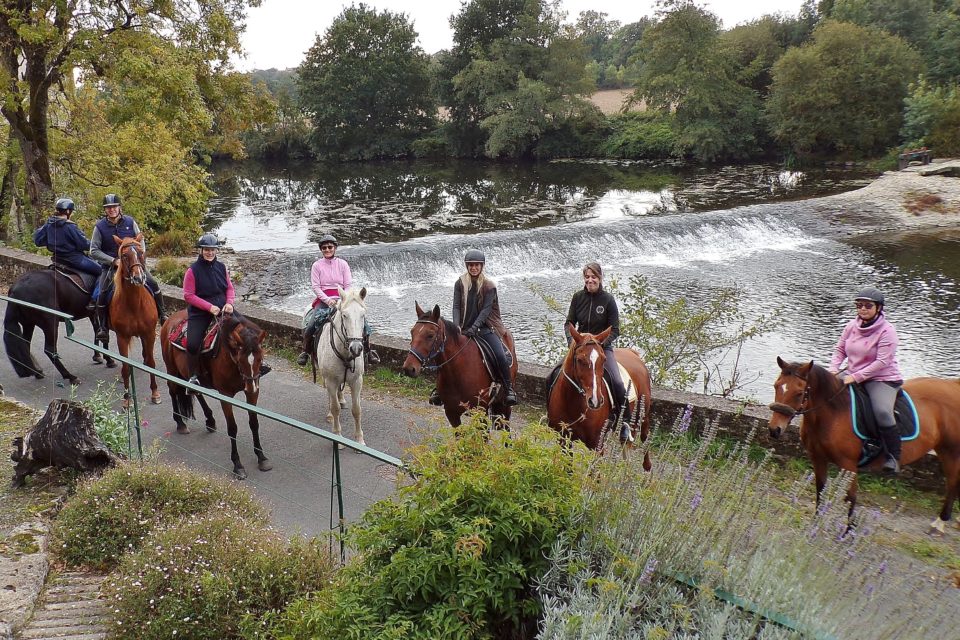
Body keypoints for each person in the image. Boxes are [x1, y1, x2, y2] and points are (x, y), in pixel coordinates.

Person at [829, 287, 904, 474]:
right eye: (859, 305)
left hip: (881, 378)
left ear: (878, 308)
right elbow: (840, 350)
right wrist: (833, 369)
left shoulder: (887, 331)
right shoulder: (851, 326)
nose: (862, 309)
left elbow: (882, 361)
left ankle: (893, 457)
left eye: (868, 306)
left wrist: (855, 377)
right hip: (851, 375)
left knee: (882, 411)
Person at [430, 249, 518, 406]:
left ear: (481, 266)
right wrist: (457, 326)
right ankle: (439, 389)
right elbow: (456, 306)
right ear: (467, 266)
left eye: (477, 265)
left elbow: (486, 311)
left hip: (486, 328)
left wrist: (475, 327)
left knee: (500, 355)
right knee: (442, 351)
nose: (473, 268)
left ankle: (508, 388)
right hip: (463, 328)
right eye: (471, 265)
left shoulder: (489, 286)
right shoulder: (459, 283)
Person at [564, 262, 631, 439]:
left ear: (600, 278)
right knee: (554, 376)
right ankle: (554, 415)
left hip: (602, 349)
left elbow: (615, 329)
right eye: (587, 277)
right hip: (580, 348)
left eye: (593, 277)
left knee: (617, 382)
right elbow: (569, 323)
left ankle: (625, 423)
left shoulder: (608, 300)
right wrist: (572, 341)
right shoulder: (577, 297)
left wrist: (600, 344)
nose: (590, 280)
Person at [89, 194, 167, 341]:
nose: (111, 210)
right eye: (108, 208)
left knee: (153, 283)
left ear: (119, 207)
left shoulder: (130, 222)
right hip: (111, 267)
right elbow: (93, 250)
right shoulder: (99, 227)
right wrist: (113, 261)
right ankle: (103, 328)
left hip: (133, 264)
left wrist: (140, 257)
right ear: (105, 210)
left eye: (114, 207)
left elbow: (140, 240)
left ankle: (163, 314)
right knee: (103, 292)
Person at [295, 234, 379, 366]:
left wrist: (344, 298)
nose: (327, 250)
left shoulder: (343, 264)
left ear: (334, 248)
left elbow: (348, 284)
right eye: (324, 248)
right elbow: (316, 287)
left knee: (364, 325)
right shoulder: (317, 266)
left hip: (343, 298)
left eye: (330, 247)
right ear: (321, 249)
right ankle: (305, 351)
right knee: (310, 325)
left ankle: (368, 352)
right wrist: (328, 300)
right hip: (323, 300)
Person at [182, 233, 235, 388]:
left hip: (224, 309)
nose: (210, 252)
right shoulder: (192, 271)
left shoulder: (222, 267)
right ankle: (193, 376)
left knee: (246, 331)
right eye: (207, 249)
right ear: (201, 250)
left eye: (213, 249)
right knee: (192, 344)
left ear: (216, 250)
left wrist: (230, 303)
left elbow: (230, 288)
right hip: (201, 313)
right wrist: (209, 307)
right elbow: (188, 295)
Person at [33, 198, 102, 277]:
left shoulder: (49, 224)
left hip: (57, 258)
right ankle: (98, 290)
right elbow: (84, 244)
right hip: (74, 259)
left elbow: (37, 241)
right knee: (101, 271)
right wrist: (96, 245)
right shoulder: (70, 226)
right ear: (68, 211)